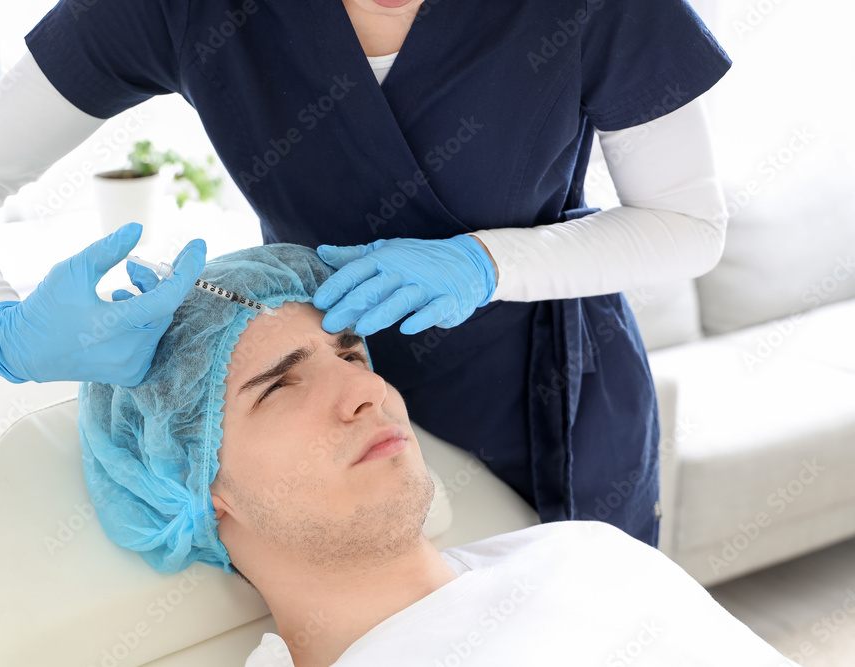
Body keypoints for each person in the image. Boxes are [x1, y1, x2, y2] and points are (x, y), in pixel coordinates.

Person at [0, 0, 734, 547]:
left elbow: (689, 225)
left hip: (559, 404)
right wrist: (1, 328)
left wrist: (487, 261)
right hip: (313, 423)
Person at [78, 244, 797, 667]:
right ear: (194, 483)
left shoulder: (588, 551)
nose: (367, 390)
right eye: (280, 385)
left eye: (351, 354)